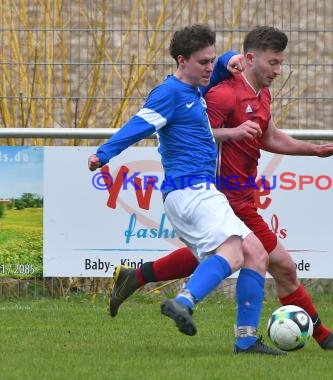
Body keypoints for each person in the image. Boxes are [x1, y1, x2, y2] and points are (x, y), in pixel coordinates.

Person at [107, 26, 333, 351]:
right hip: (223, 196)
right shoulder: (222, 94)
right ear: (249, 58)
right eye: (272, 62)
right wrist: (231, 131)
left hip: (243, 195)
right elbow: (197, 131)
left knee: (220, 255)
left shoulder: (262, 95)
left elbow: (269, 137)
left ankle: (139, 277)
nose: (277, 70)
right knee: (270, 261)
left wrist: (314, 150)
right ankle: (313, 338)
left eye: (280, 63)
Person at [88, 24, 285, 355]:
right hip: (190, 191)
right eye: (203, 62)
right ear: (182, 61)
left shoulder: (194, 88)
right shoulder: (169, 94)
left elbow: (219, 66)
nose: (210, 68)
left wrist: (227, 59)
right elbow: (138, 125)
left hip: (198, 191)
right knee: (235, 252)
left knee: (256, 253)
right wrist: (103, 153)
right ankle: (184, 301)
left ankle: (247, 340)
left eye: (211, 60)